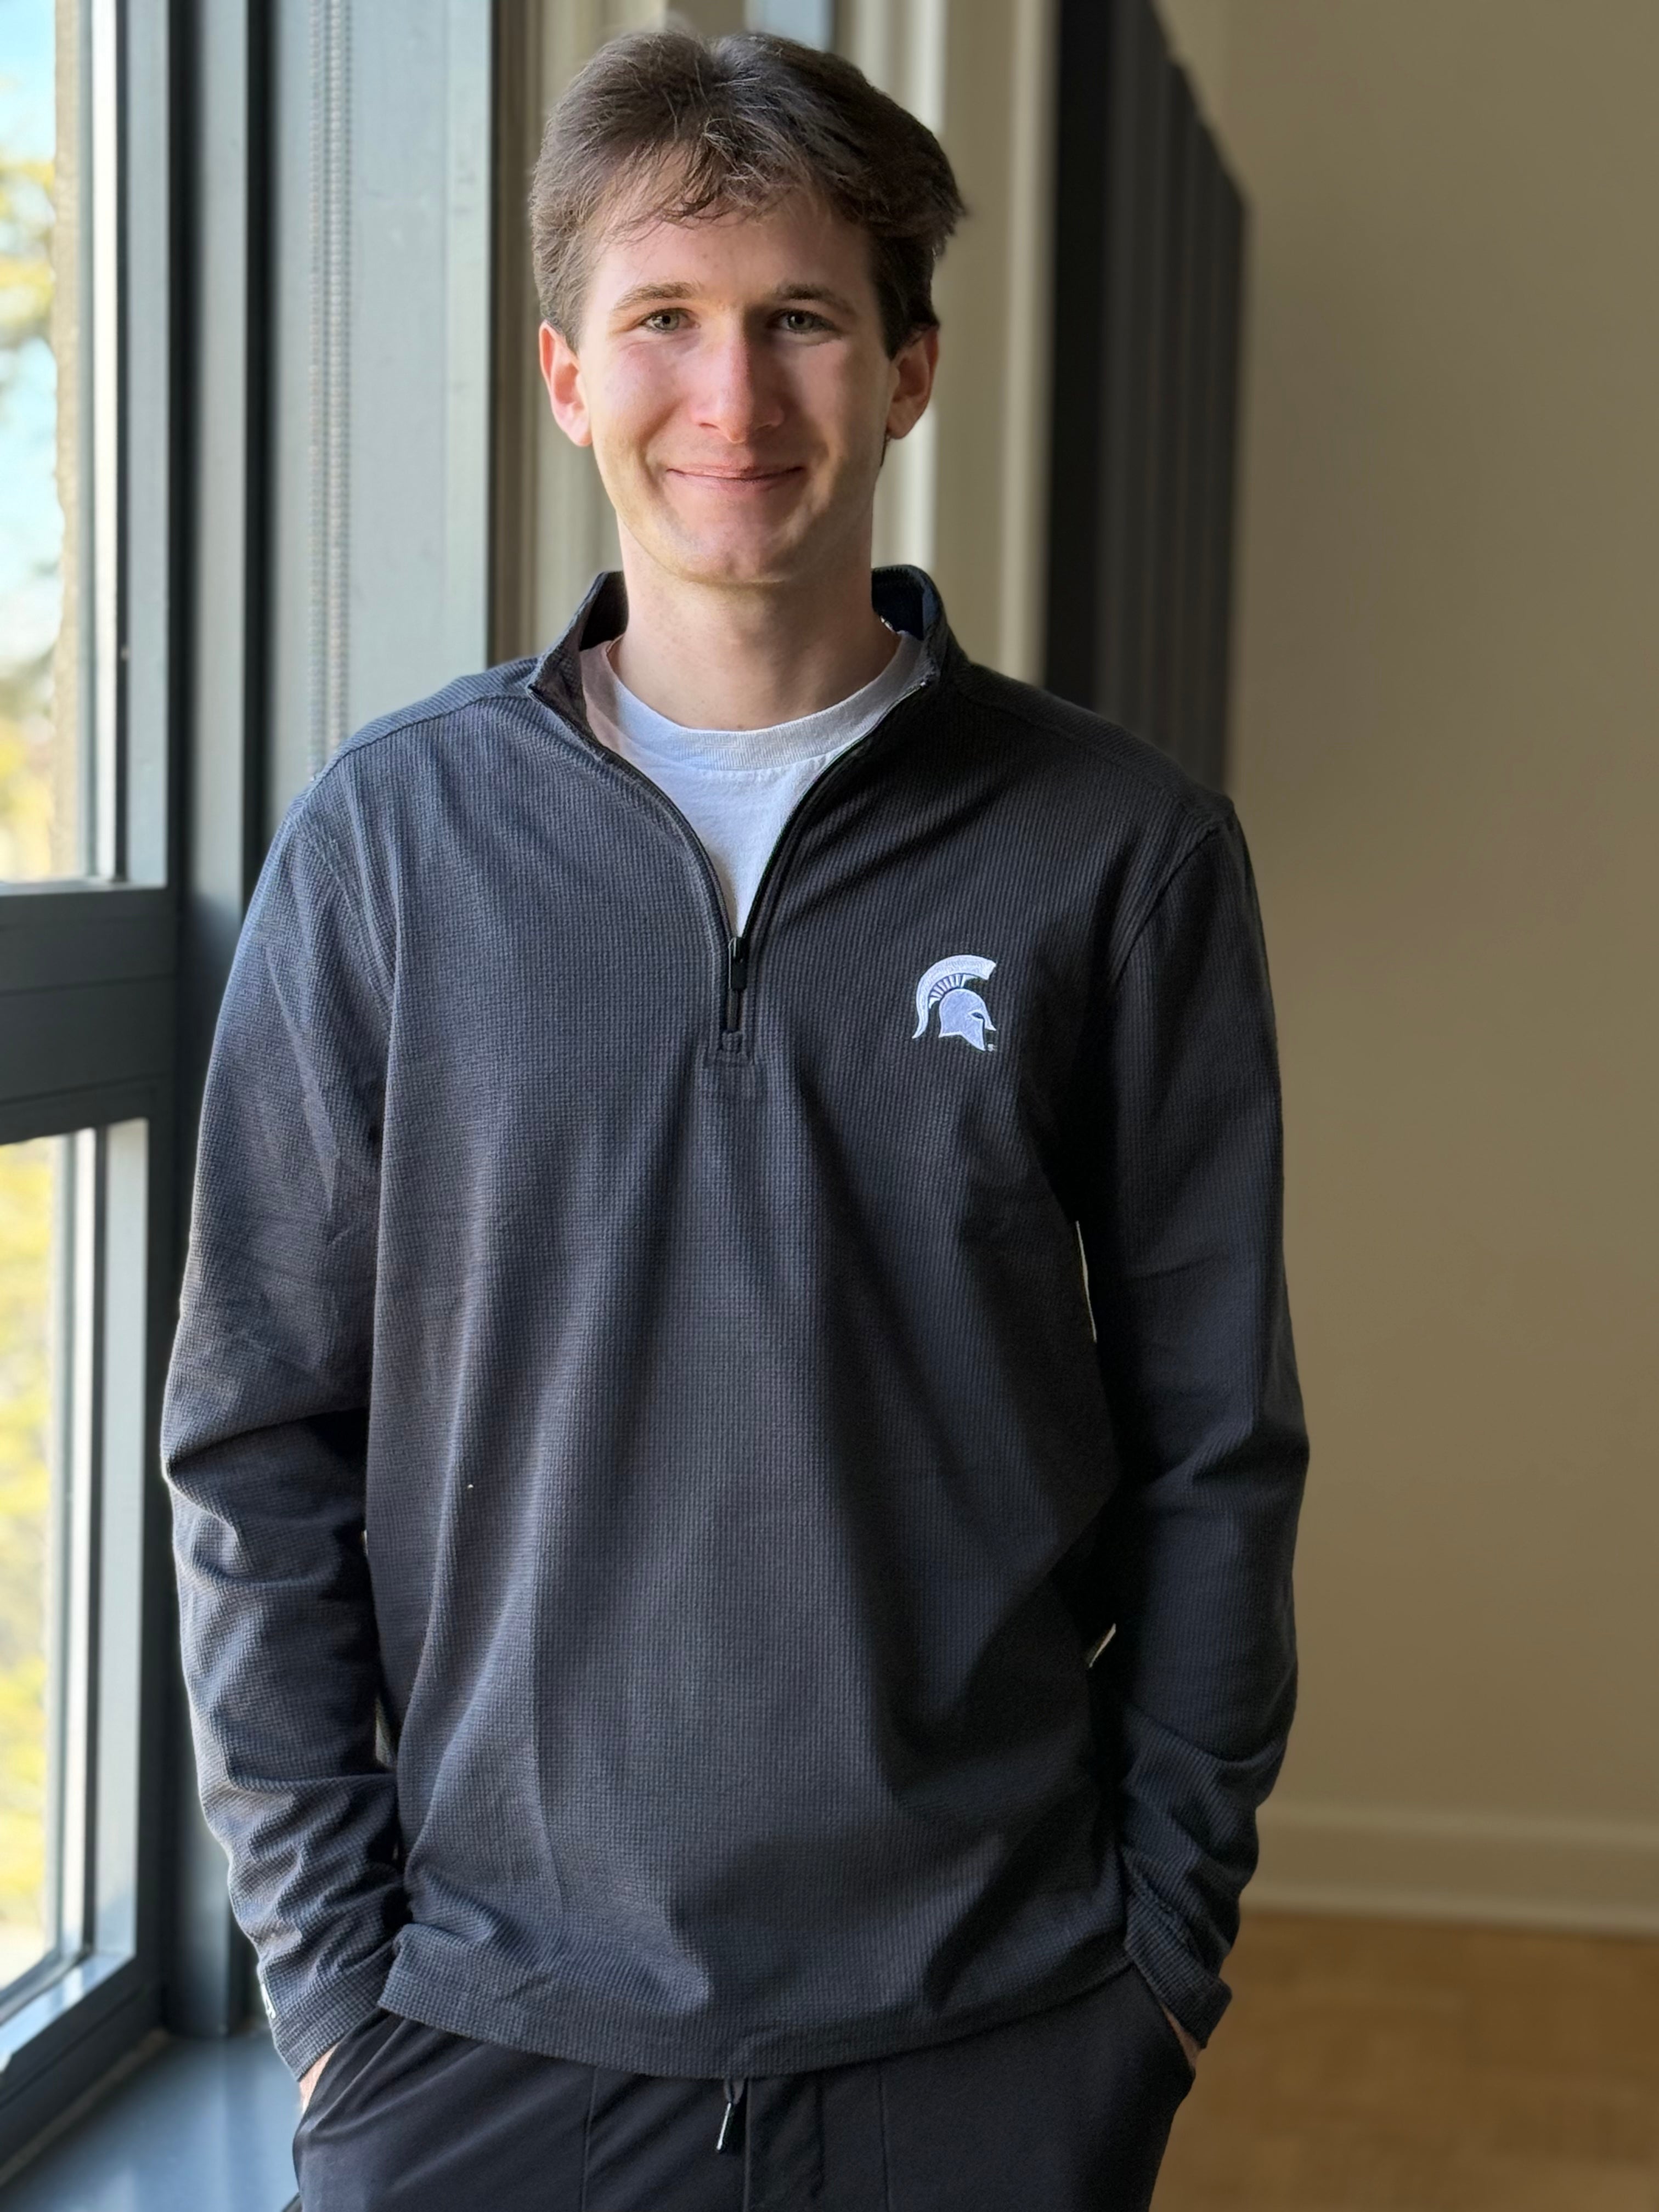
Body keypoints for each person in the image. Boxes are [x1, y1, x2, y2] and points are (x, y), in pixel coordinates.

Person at [161, 27, 1307, 2211]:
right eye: (663, 324)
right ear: (565, 377)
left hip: (989, 2027)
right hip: (480, 2045)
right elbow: (254, 1441)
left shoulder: (1120, 849)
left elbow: (1213, 1448)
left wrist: (1157, 1963)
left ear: (909, 370)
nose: (735, 397)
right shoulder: (391, 842)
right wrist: (334, 1994)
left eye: (801, 319)